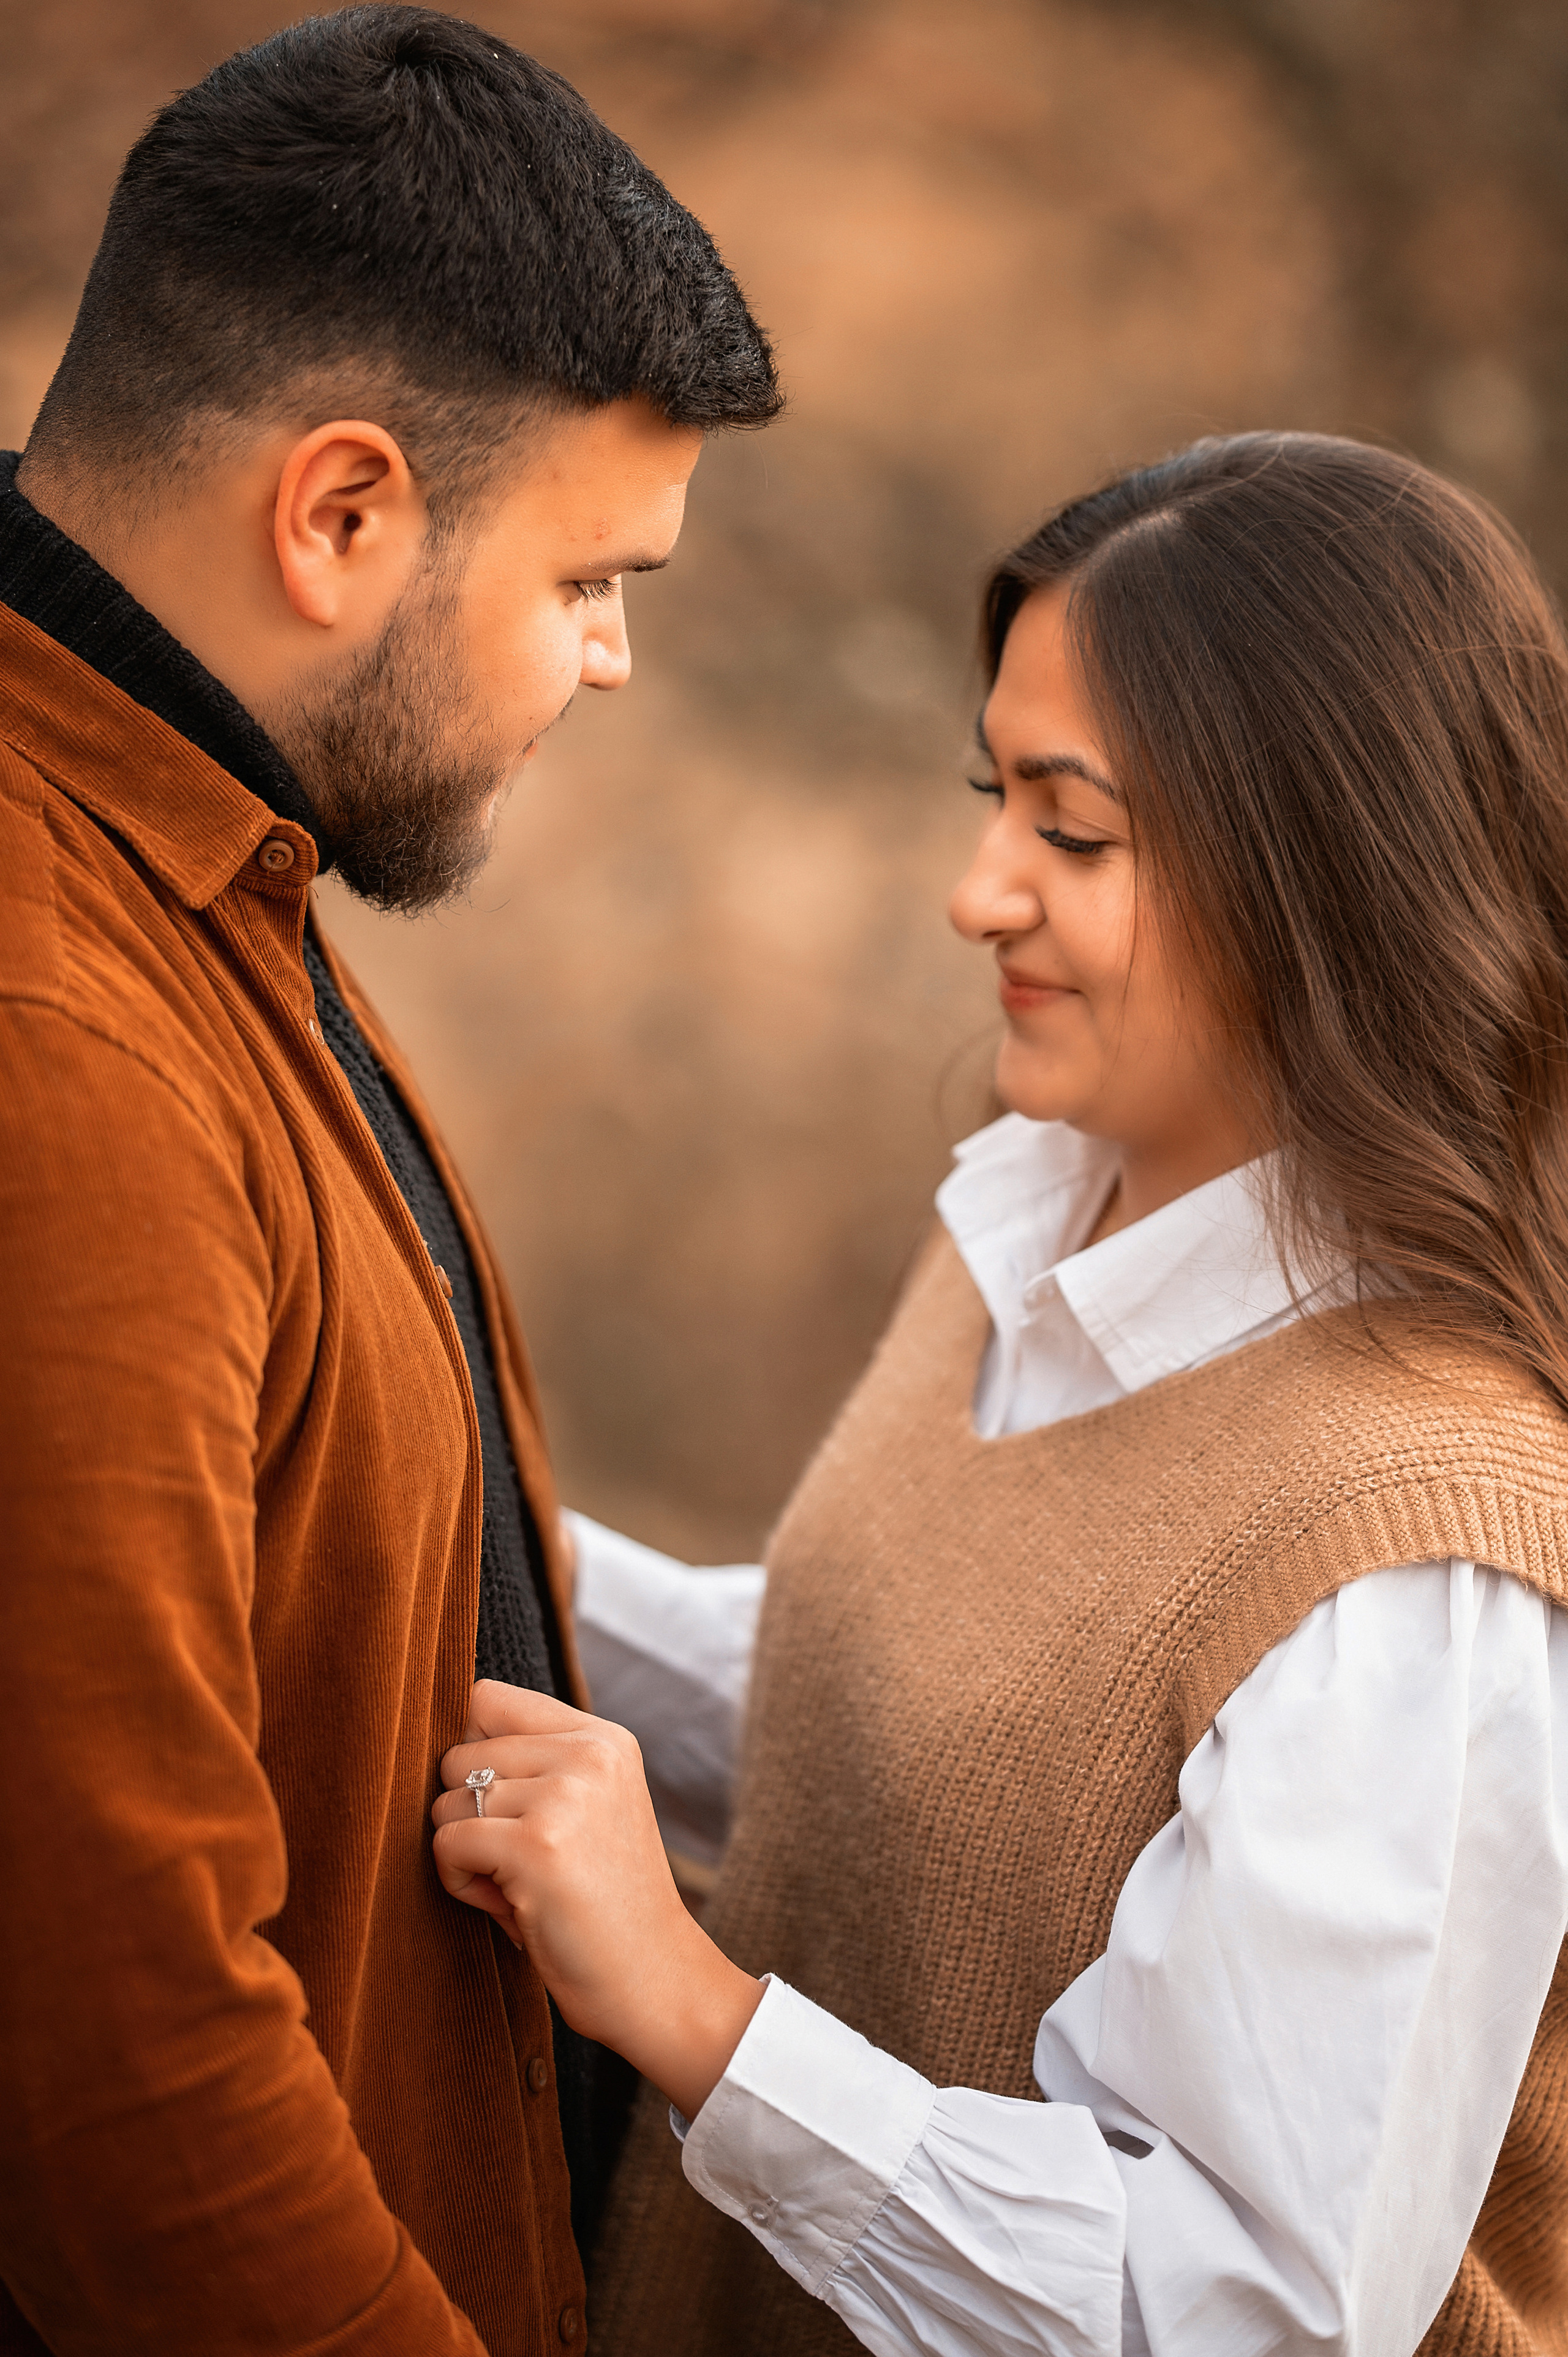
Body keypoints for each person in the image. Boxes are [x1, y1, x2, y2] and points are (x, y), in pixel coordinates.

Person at [429, 431, 1568, 2356]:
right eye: (995, 798)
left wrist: (701, 2019)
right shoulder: (1033, 1213)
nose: (978, 892)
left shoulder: (1418, 1562)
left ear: (1326, 875)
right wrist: (427, 1513)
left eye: (1074, 829)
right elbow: (909, 1711)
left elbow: (1237, 2316)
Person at [0, 9, 778, 2351]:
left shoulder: (185, 857)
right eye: (585, 579)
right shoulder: (61, 1032)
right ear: (340, 516)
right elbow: (118, 2057)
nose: (616, 659)